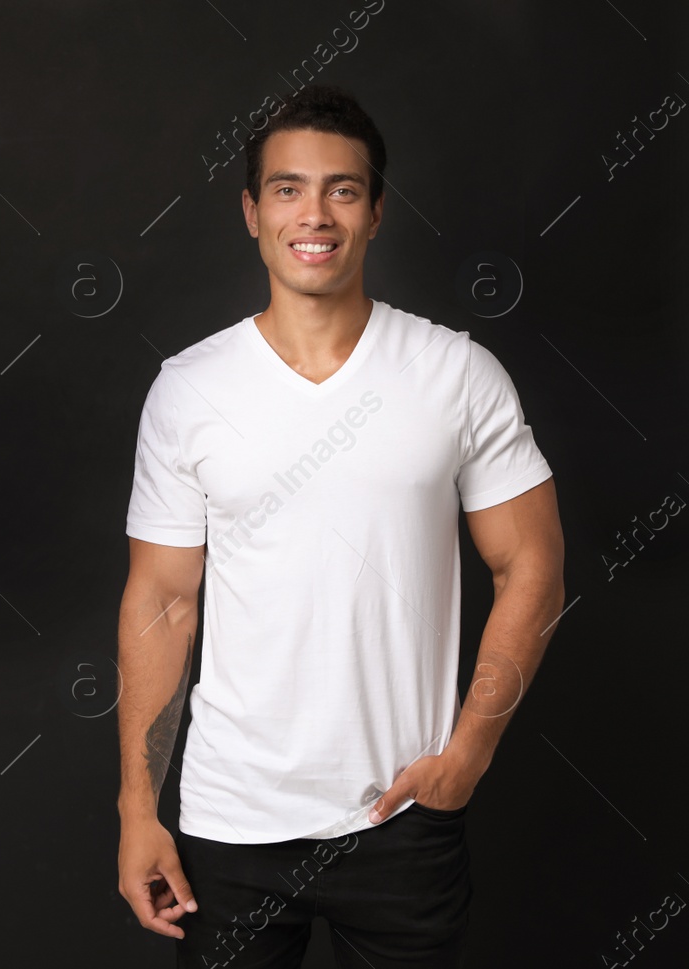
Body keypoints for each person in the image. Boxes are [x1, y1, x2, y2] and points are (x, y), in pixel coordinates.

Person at [114, 84, 565, 968]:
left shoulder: (457, 372)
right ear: (251, 212)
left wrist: (465, 758)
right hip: (228, 825)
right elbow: (164, 600)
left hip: (402, 816)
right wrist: (139, 809)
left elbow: (535, 568)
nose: (312, 213)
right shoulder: (189, 388)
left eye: (342, 189)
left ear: (376, 210)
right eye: (286, 188)